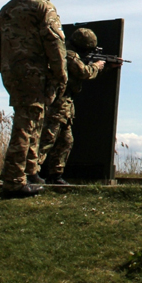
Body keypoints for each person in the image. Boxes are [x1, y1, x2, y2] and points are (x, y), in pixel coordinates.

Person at [0, 0, 67, 198]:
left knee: (34, 119)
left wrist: (5, 66)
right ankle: (13, 181)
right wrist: (61, 74)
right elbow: (55, 44)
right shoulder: (43, 7)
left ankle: (30, 172)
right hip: (35, 75)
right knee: (25, 125)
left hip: (14, 74)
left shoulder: (7, 9)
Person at [34, 27, 106, 185]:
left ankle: (55, 174)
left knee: (65, 141)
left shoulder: (66, 53)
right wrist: (97, 67)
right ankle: (31, 172)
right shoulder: (70, 55)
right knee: (47, 139)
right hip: (57, 105)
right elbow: (84, 72)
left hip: (65, 107)